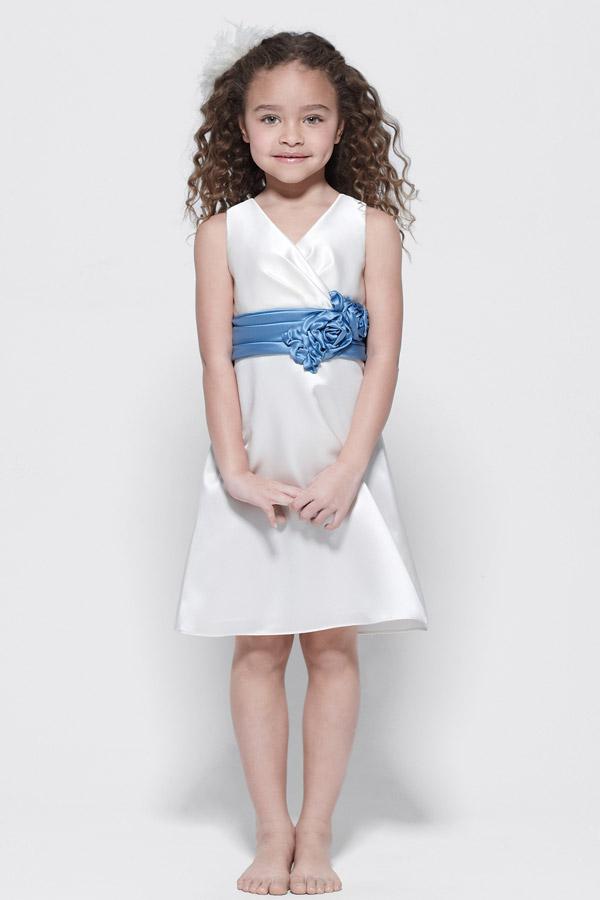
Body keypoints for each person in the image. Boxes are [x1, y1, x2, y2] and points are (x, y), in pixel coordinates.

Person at [176, 26, 429, 896]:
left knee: (330, 645)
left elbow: (384, 357)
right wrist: (236, 470)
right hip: (254, 473)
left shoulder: (371, 228)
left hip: (336, 472)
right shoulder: (223, 234)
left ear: (341, 126)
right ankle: (271, 829)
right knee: (257, 647)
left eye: (312, 117)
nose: (291, 134)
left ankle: (316, 829)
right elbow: (216, 361)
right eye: (271, 117)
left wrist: (349, 469)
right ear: (240, 127)